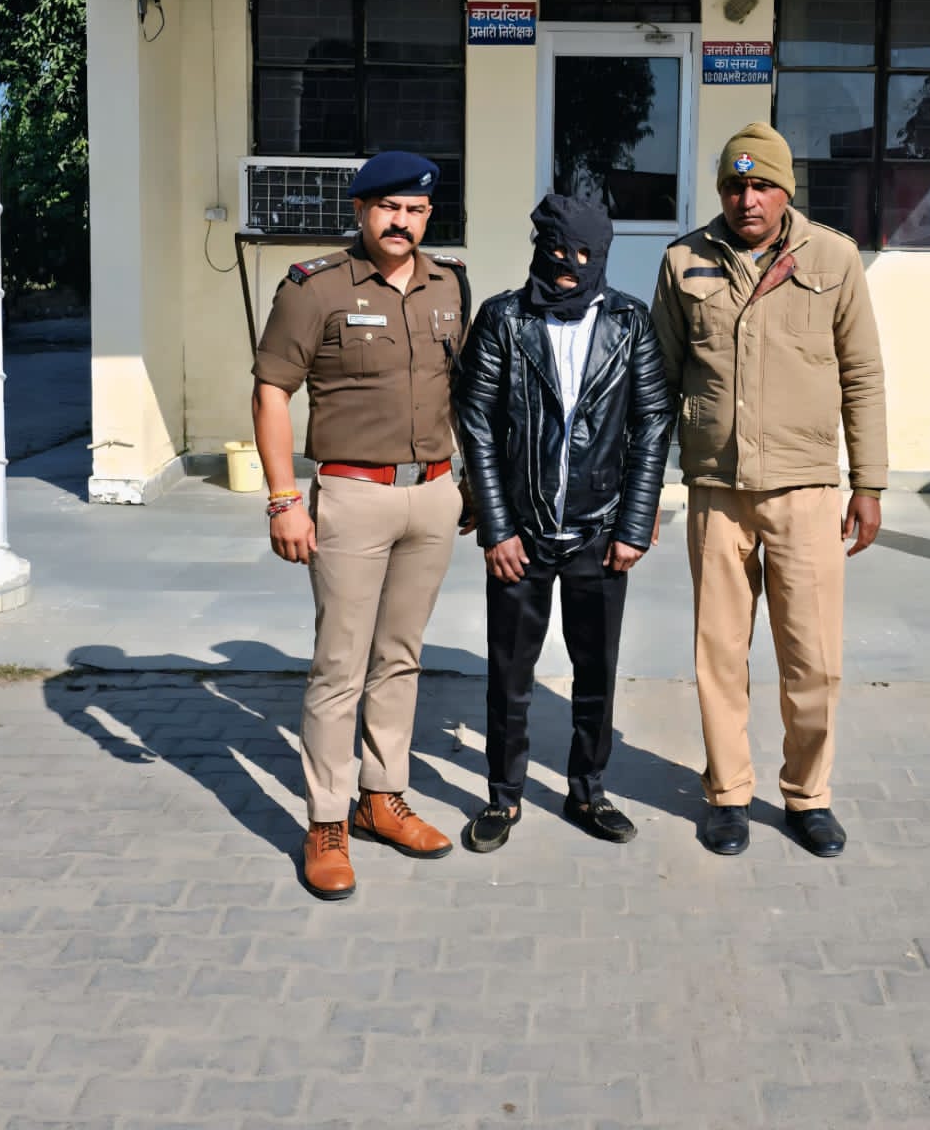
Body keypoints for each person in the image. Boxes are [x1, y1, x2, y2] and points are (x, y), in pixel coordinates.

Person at [651, 123, 887, 859]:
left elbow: (862, 374)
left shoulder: (834, 258)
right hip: (716, 490)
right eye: (734, 185)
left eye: (761, 185)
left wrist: (869, 481)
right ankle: (727, 793)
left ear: (786, 190)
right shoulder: (684, 260)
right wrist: (643, 490)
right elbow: (658, 381)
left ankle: (808, 795)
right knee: (719, 654)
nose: (746, 199)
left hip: (806, 491)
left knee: (812, 658)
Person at [252, 150, 470, 900]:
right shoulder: (315, 287)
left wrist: (471, 486)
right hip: (351, 496)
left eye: (415, 209)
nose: (401, 221)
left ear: (429, 215)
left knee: (400, 657)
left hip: (432, 494)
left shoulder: (451, 283)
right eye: (388, 207)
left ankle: (382, 797)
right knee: (339, 665)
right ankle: (326, 820)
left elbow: (463, 393)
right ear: (361, 210)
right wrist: (284, 498)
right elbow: (271, 392)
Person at [452, 194, 672, 852]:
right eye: (556, 251)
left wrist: (634, 522)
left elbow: (652, 424)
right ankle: (503, 797)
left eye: (584, 254)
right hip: (520, 534)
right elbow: (476, 424)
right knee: (509, 677)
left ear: (603, 254)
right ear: (538, 247)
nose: (569, 266)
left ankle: (588, 790)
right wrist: (496, 527)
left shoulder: (630, 323)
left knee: (595, 674)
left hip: (600, 534)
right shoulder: (504, 319)